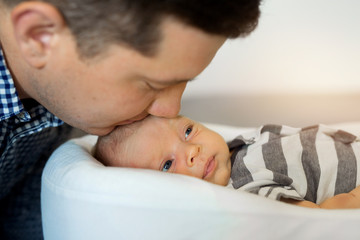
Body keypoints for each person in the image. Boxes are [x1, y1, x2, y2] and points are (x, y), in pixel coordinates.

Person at [0, 0, 262, 239]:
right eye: (152, 84)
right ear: (40, 35)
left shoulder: (69, 92)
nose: (172, 109)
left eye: (186, 81)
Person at [95, 115, 360, 209]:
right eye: (167, 164)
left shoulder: (236, 146)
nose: (193, 150)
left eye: (187, 131)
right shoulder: (248, 191)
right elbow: (323, 220)